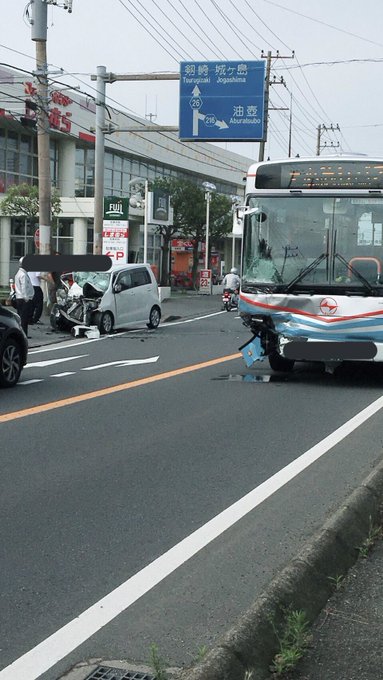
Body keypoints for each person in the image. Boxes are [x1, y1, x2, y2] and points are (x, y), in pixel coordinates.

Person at [14, 257, 34, 337]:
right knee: (24, 319)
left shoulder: (19, 273)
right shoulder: (23, 275)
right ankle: (23, 335)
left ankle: (22, 334)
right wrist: (27, 298)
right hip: (23, 299)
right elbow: (24, 287)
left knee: (21, 317)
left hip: (19, 298)